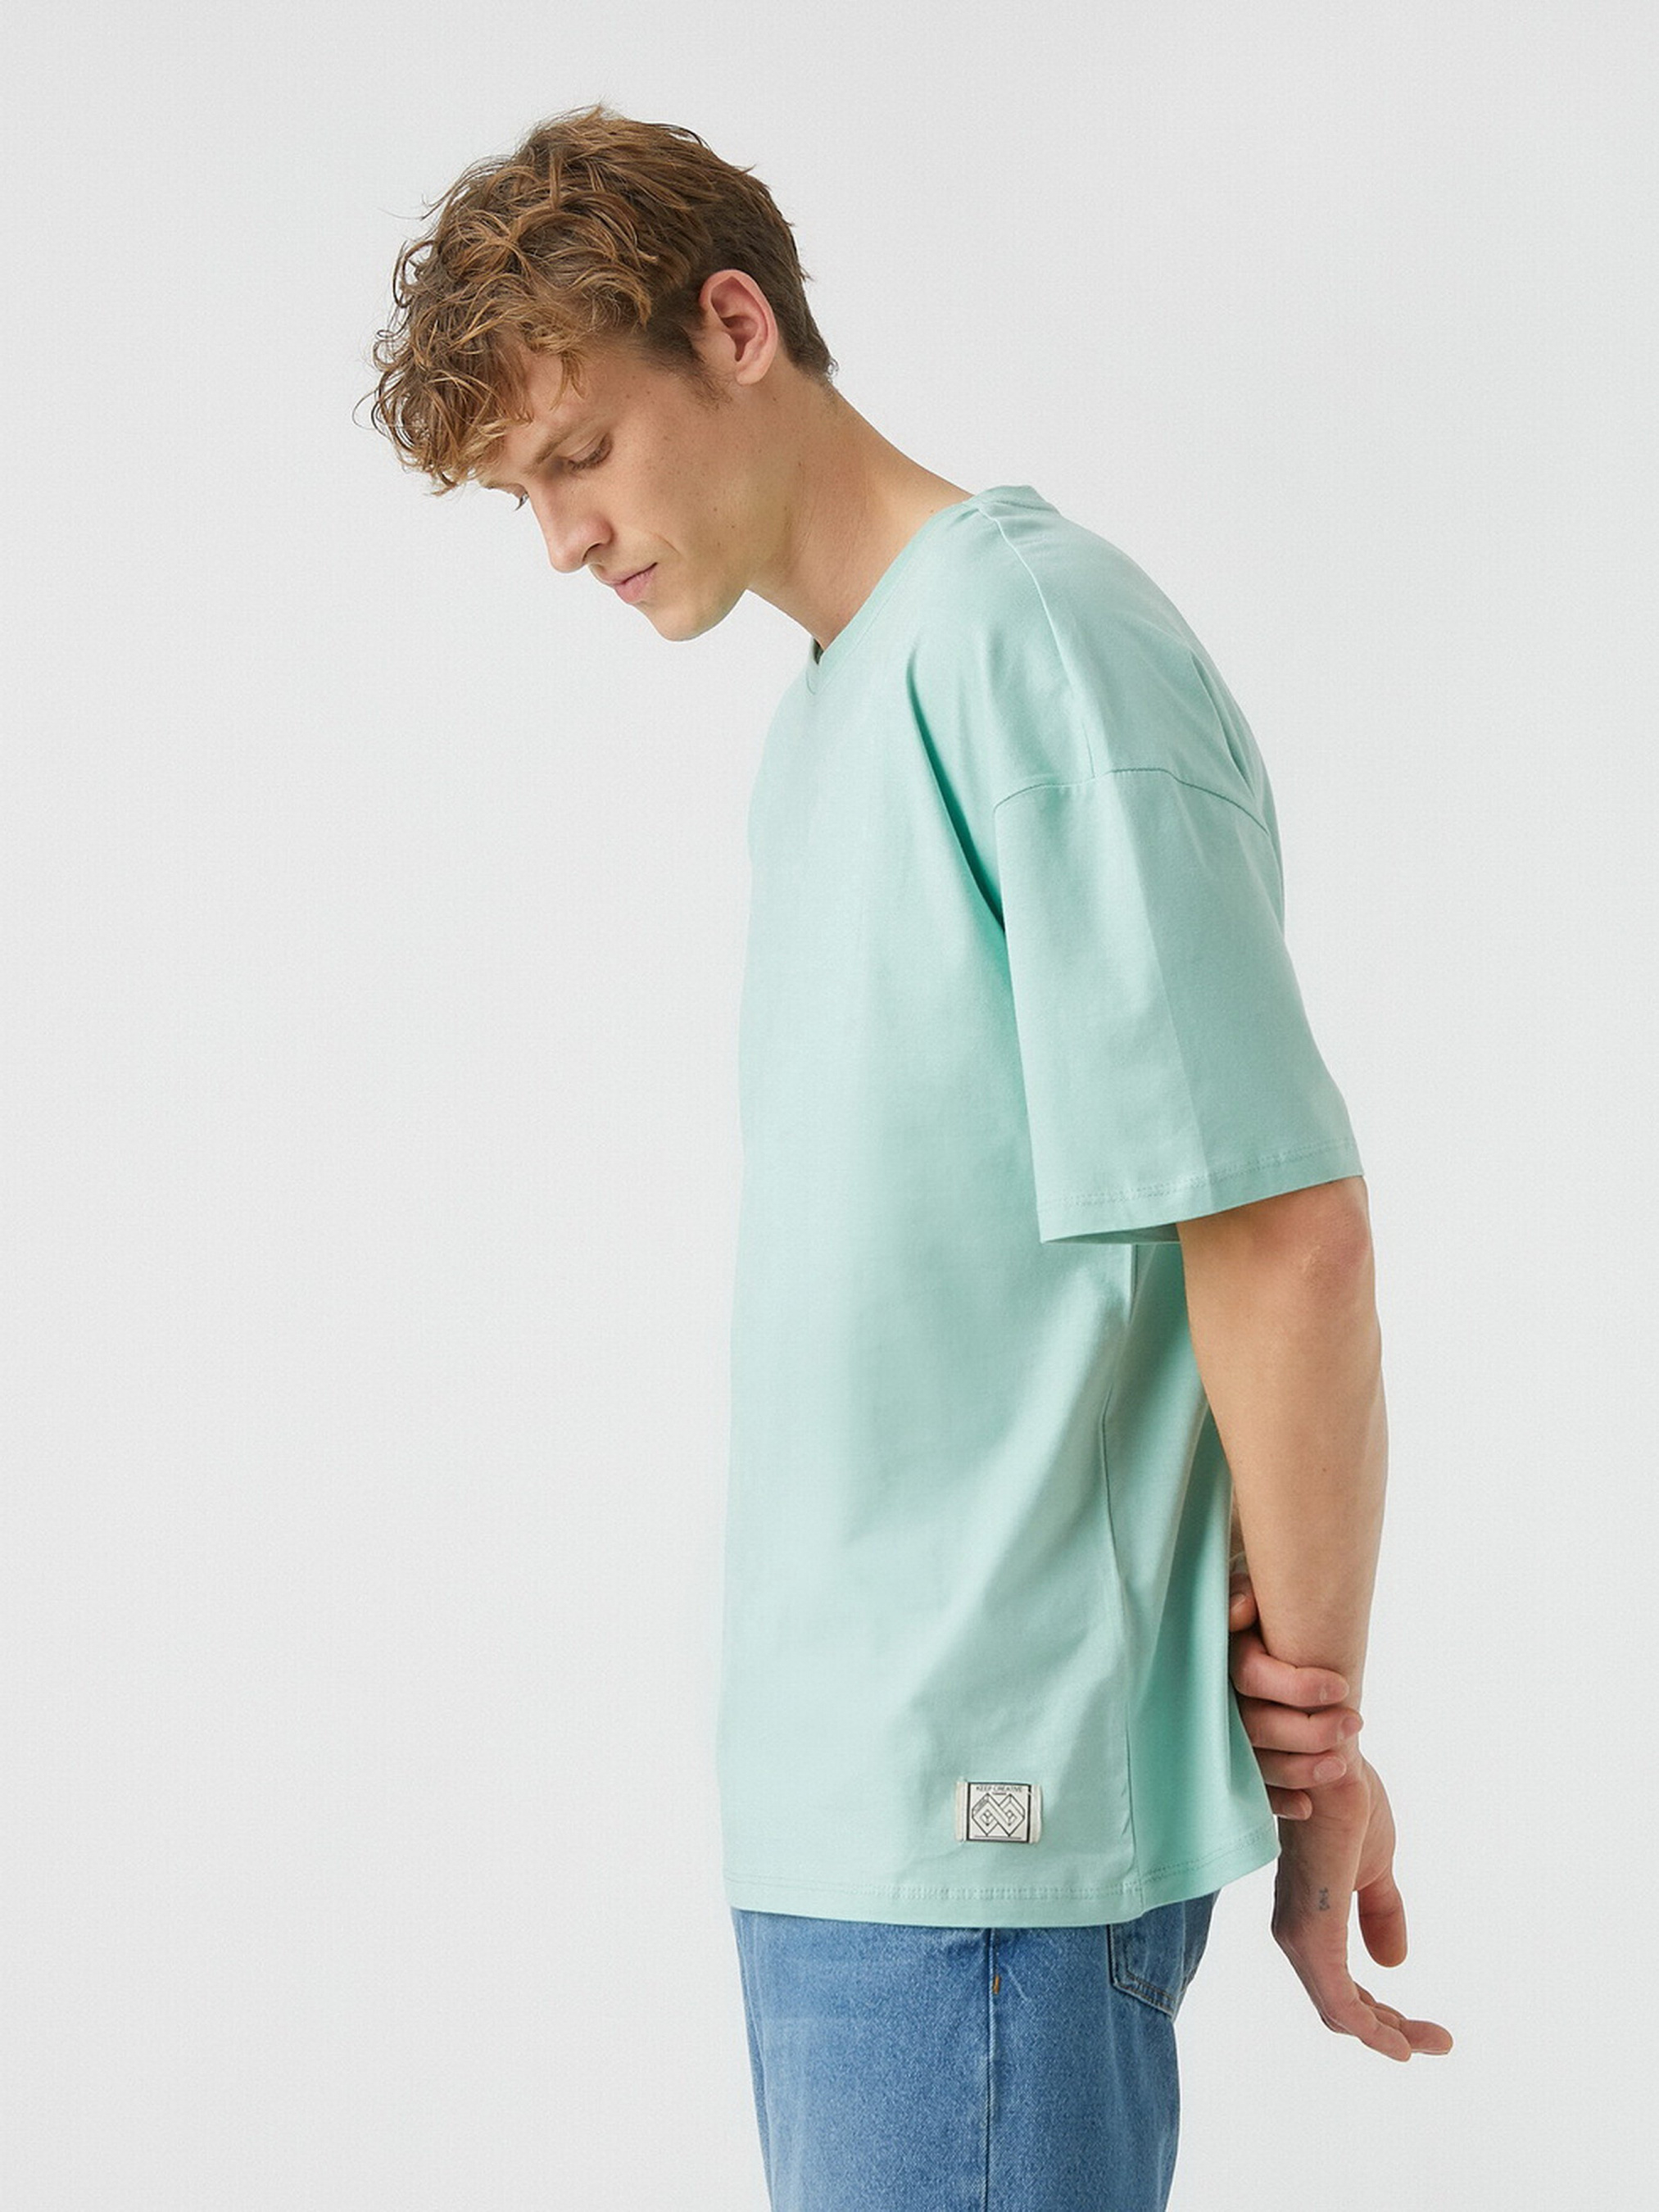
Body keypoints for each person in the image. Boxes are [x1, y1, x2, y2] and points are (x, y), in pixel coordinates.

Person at [367, 100, 1453, 2212]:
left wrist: (1315, 1750)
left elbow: (1277, 1233)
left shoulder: (1026, 638)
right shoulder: (834, 708)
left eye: (580, 455)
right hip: (853, 1835)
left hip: (990, 1841)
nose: (564, 540)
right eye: (522, 496)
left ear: (735, 326)